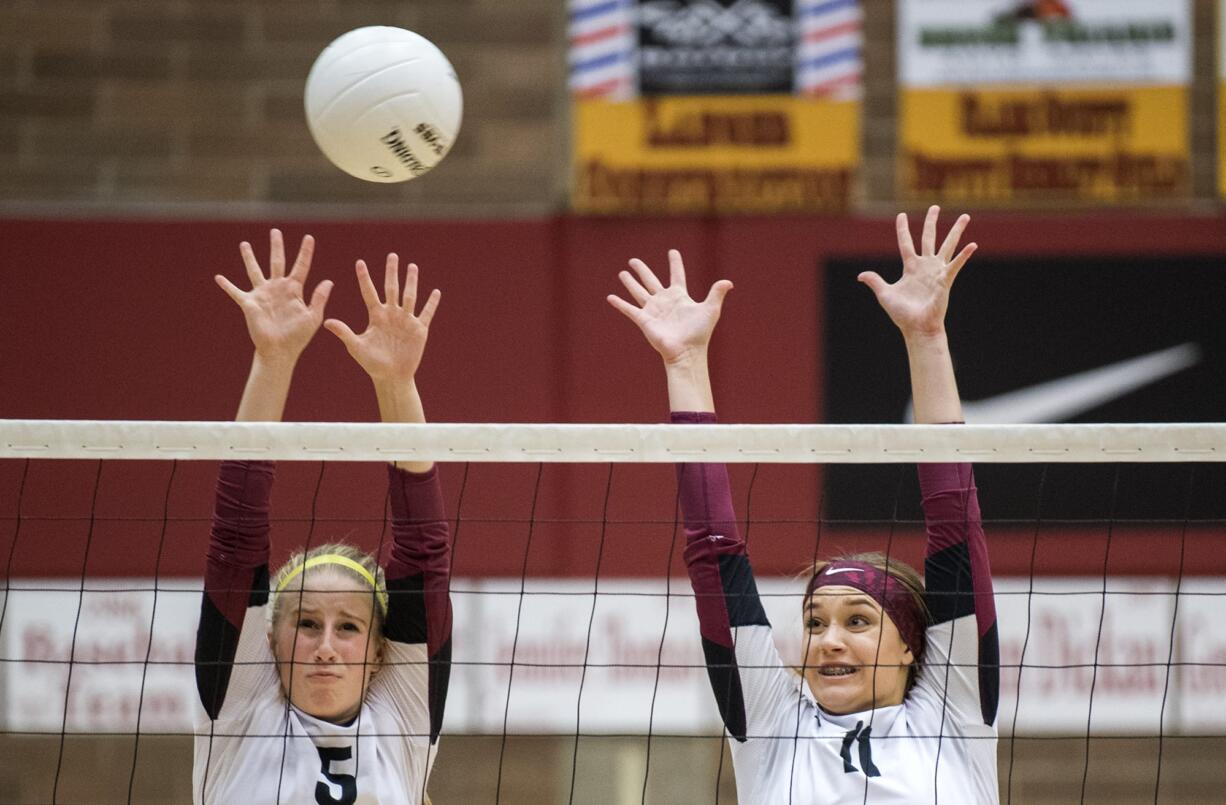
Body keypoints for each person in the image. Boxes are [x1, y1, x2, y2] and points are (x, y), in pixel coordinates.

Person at [607, 207, 999, 803]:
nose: (828, 640)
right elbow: (714, 554)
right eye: (815, 623)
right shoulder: (772, 726)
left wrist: (926, 338)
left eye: (859, 621)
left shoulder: (955, 713)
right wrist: (684, 365)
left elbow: (955, 523)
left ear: (911, 645)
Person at [193, 229, 452, 805]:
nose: (326, 647)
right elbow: (235, 539)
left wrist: (396, 383)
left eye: (349, 627)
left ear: (380, 652)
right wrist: (274, 360)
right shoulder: (238, 713)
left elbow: (424, 555)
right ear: (272, 640)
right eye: (307, 624)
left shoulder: (402, 727)